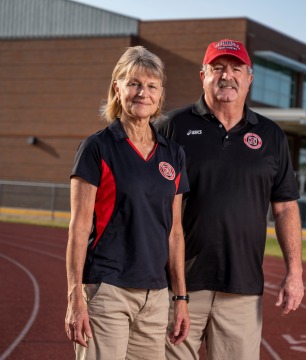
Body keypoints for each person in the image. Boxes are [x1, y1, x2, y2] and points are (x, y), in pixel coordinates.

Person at [159, 39, 304, 360]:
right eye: (218, 68)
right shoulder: (174, 127)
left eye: (236, 68)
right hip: (179, 286)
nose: (227, 76)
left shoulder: (271, 136)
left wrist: (295, 272)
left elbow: (285, 208)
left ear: (249, 78)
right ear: (203, 75)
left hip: (242, 287)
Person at [65, 46, 190, 360]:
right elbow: (79, 228)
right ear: (117, 89)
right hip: (108, 290)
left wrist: (181, 298)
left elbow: (174, 233)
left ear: (160, 96)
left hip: (156, 295)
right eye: (133, 83)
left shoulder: (172, 154)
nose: (142, 93)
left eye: (151, 86)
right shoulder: (97, 147)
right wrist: (75, 297)